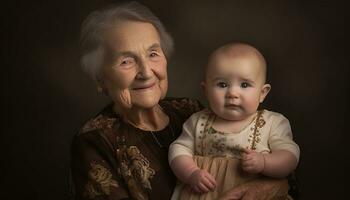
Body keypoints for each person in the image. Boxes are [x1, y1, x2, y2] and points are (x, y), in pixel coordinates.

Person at [71, 1, 292, 200]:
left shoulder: (188, 110)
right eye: (127, 61)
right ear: (100, 78)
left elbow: (285, 176)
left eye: (153, 54)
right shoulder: (95, 142)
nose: (146, 72)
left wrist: (271, 185)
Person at [168, 43, 300, 200]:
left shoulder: (271, 123)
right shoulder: (197, 121)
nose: (232, 93)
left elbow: (290, 156)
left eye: (244, 85)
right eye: (222, 84)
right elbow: (178, 150)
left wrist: (264, 162)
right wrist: (191, 173)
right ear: (206, 91)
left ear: (262, 93)